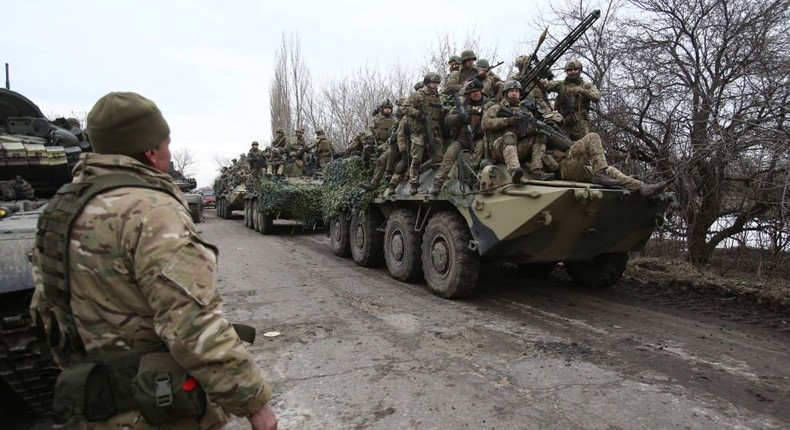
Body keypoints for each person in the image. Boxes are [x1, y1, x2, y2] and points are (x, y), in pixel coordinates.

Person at [29, 92, 278, 429]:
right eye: (167, 143)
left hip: (88, 403)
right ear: (150, 150)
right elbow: (191, 325)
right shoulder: (152, 211)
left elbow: (45, 312)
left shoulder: (59, 209)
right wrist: (254, 403)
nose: (169, 152)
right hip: (157, 406)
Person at [431, 80, 487, 194]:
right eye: (473, 92)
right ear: (469, 94)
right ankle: (438, 182)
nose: (476, 94)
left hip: (479, 138)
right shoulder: (462, 106)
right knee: (450, 154)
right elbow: (447, 120)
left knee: (480, 148)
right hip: (462, 138)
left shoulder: (488, 105)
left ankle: (473, 177)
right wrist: (459, 117)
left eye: (478, 91)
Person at [404, 72, 445, 194]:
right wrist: (418, 114)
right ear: (427, 82)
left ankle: (420, 171)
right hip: (419, 131)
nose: (435, 85)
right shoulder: (418, 95)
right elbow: (405, 107)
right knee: (416, 158)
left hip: (434, 131)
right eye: (433, 83)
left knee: (438, 157)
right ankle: (413, 182)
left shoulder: (438, 97)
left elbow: (441, 112)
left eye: (437, 83)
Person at [540, 59, 601, 140]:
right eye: (570, 70)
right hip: (564, 124)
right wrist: (536, 72)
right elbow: (547, 85)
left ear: (580, 70)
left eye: (575, 69)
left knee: (584, 148)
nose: (573, 72)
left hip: (580, 124)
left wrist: (582, 91)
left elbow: (597, 96)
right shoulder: (561, 84)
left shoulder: (586, 85)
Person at [361, 100, 397, 190]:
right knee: (366, 149)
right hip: (377, 143)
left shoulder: (395, 119)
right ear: (382, 109)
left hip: (390, 143)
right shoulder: (376, 118)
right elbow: (368, 129)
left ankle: (376, 181)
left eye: (389, 108)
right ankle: (366, 168)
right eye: (385, 108)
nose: (387, 110)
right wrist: (369, 137)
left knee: (382, 159)